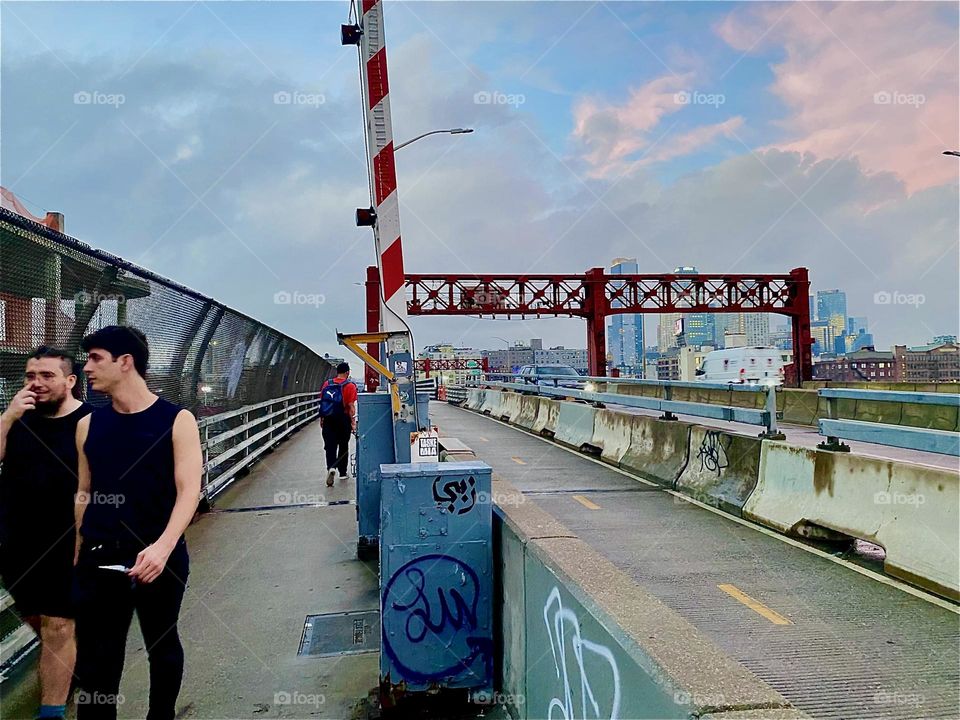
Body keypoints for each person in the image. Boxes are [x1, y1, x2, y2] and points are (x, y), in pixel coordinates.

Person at [73, 326, 201, 720]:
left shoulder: (177, 420)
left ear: (125, 362)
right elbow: (84, 492)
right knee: (98, 663)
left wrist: (163, 547)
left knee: (161, 644)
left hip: (159, 557)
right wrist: (75, 554)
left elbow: (189, 491)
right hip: (100, 559)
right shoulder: (88, 425)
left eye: (95, 358)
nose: (87, 367)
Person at [0, 347, 92, 720]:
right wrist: (8, 416)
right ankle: (76, 660)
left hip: (66, 541)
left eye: (46, 376)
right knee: (37, 618)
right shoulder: (17, 420)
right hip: (16, 542)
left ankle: (50, 712)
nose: (36, 383)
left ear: (70, 381)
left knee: (57, 624)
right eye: (30, 376)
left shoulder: (90, 422)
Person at [319, 362, 357, 487]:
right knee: (343, 445)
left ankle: (331, 467)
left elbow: (323, 403)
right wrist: (352, 422)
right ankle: (342, 472)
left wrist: (322, 419)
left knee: (330, 445)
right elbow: (351, 406)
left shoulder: (327, 384)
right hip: (343, 418)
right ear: (347, 372)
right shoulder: (350, 386)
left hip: (329, 418)